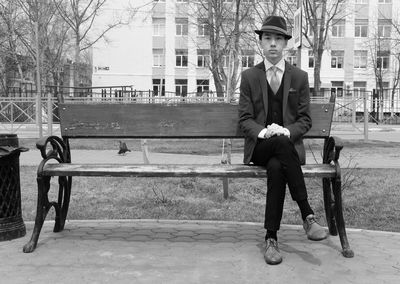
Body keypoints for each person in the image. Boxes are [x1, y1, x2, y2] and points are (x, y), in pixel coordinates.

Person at [238, 15, 327, 265]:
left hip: (285, 150)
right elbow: (244, 119)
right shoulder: (249, 77)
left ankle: (271, 239)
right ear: (261, 43)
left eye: (278, 38)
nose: (273, 44)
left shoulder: (299, 77)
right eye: (268, 38)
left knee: (278, 166)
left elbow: (305, 120)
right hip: (259, 148)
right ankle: (307, 214)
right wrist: (265, 132)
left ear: (285, 43)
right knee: (277, 145)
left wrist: (287, 131)